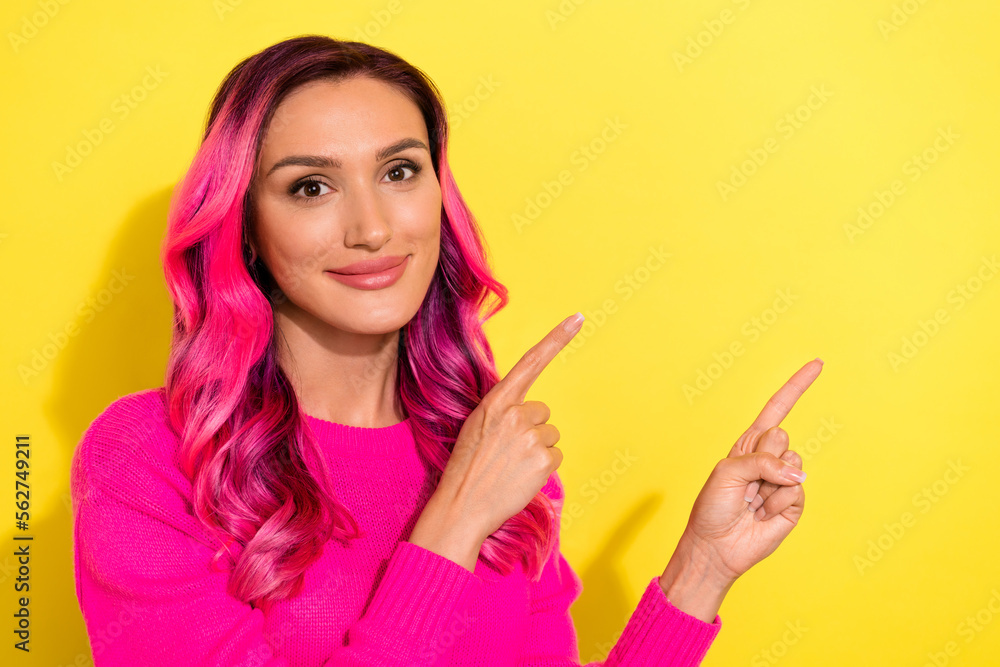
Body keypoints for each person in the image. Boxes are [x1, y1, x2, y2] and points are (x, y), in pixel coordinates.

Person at [70, 34, 823, 666]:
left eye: (399, 171)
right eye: (310, 187)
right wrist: (456, 520)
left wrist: (701, 569)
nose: (372, 228)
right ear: (245, 227)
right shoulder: (149, 460)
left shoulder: (483, 449)